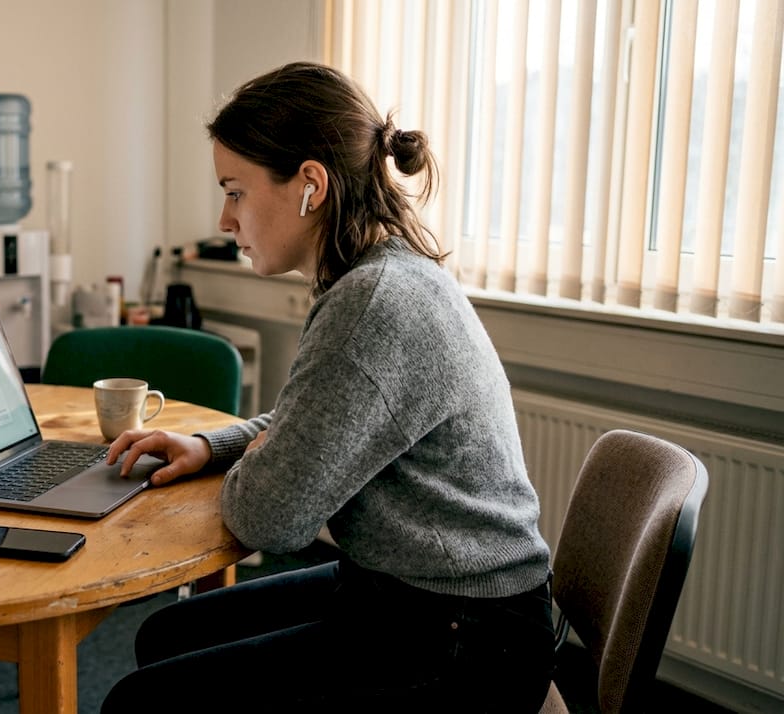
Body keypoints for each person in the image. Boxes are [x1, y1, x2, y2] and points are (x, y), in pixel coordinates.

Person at [99, 61, 554, 713]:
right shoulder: (379, 275)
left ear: (310, 185)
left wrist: (268, 465)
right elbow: (311, 421)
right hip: (412, 591)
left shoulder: (372, 304)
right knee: (166, 634)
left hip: (465, 635)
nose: (224, 219)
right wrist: (214, 446)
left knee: (140, 703)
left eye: (235, 192)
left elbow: (269, 518)